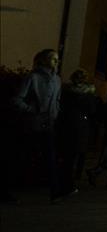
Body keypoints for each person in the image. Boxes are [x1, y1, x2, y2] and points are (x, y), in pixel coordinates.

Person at [12, 49, 62, 202]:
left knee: (50, 157)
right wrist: (31, 110)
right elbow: (17, 99)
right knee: (23, 157)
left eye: (57, 59)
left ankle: (55, 191)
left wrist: (55, 112)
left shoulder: (57, 80)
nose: (56, 61)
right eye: (53, 59)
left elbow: (57, 100)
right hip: (32, 124)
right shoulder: (32, 77)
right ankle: (10, 190)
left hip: (49, 124)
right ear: (44, 60)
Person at [57, 68, 99, 197]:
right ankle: (72, 181)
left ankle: (63, 180)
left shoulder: (65, 91)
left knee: (66, 156)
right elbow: (92, 110)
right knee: (77, 154)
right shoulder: (88, 94)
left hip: (66, 125)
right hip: (81, 126)